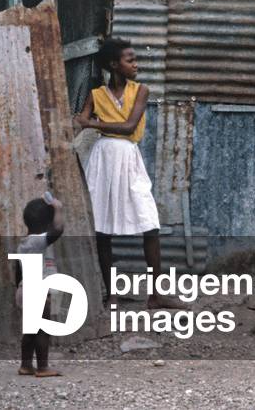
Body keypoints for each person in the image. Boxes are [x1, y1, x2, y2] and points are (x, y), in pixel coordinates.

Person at [74, 37, 186, 310]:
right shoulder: (97, 95)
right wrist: (87, 122)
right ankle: (111, 295)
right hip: (102, 160)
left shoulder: (141, 91)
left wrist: (94, 123)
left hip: (128, 157)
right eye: (130, 60)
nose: (136, 64)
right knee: (102, 229)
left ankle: (156, 294)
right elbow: (79, 122)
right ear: (114, 64)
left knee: (150, 224)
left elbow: (128, 127)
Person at [15, 194, 64, 377]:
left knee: (30, 331)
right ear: (47, 224)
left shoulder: (24, 244)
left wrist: (18, 289)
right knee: (42, 330)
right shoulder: (38, 241)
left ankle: (26, 365)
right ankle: (43, 367)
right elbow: (58, 230)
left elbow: (18, 271)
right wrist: (58, 208)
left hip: (26, 289)